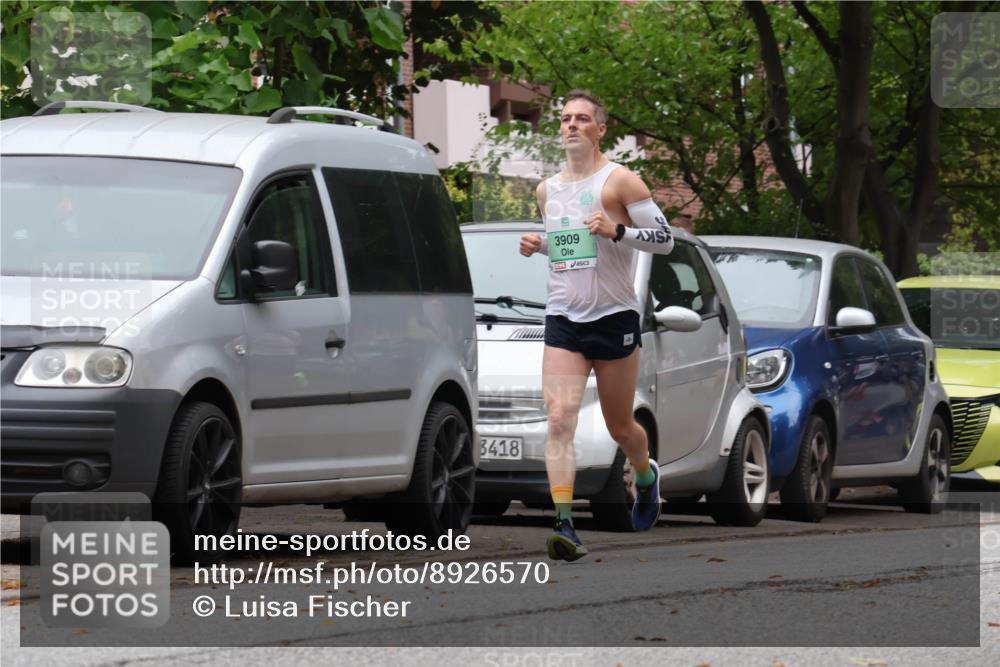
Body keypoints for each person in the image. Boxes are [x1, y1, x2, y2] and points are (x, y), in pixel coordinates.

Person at [520, 90, 676, 561]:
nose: (571, 125)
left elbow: (667, 240)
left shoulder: (621, 183)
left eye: (582, 119)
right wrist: (539, 245)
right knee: (560, 418)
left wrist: (619, 231)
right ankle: (565, 524)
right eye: (565, 118)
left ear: (600, 129)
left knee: (620, 426)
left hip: (614, 318)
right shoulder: (548, 190)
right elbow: (570, 248)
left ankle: (645, 476)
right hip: (564, 316)